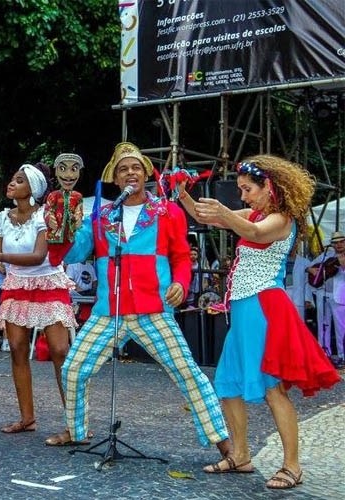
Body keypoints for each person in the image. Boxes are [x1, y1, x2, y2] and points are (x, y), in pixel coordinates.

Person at [56, 142, 231, 458]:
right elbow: (73, 253)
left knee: (188, 372)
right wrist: (63, 225)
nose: (130, 172)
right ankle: (76, 431)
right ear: (116, 179)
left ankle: (225, 444)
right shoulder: (101, 215)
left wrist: (180, 281)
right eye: (123, 169)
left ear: (146, 173)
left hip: (154, 309)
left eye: (136, 167)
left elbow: (180, 256)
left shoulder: (168, 211)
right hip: (109, 311)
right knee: (73, 369)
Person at [179, 155, 341, 488]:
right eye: (240, 190)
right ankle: (240, 455)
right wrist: (183, 193)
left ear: (269, 187)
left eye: (248, 189)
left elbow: (252, 231)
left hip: (264, 309)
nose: (243, 196)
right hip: (244, 310)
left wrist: (224, 212)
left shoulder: (281, 220)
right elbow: (202, 215)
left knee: (272, 388)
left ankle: (292, 466)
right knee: (227, 383)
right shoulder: (255, 213)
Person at [0, 164, 77, 435]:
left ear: (33, 189)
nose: (12, 184)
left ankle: (75, 422)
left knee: (60, 350)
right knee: (16, 348)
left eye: (19, 180)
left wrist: (0, 258)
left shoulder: (44, 216)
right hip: (16, 284)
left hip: (48, 281)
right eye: (13, 179)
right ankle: (27, 419)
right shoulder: (2, 218)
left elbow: (38, 256)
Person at [306, 232, 345, 367]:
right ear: (332, 244)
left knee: (341, 328)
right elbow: (309, 266)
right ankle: (324, 354)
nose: (339, 244)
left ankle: (342, 355)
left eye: (341, 241)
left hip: (339, 297)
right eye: (336, 242)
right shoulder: (326, 256)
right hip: (323, 295)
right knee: (323, 325)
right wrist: (311, 269)